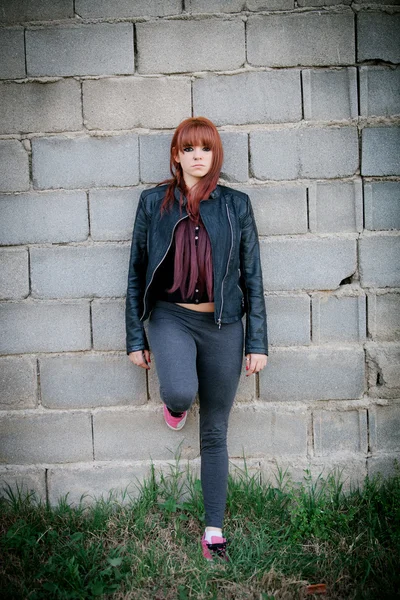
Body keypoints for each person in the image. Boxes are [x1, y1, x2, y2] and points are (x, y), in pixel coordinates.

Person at [126, 116, 268, 561]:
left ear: (215, 155)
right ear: (177, 156)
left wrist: (256, 342)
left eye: (206, 148)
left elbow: (253, 276)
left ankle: (213, 532)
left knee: (215, 431)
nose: (198, 156)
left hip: (224, 325)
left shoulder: (236, 205)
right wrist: (135, 336)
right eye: (189, 149)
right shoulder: (154, 204)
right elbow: (135, 273)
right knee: (181, 391)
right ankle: (174, 408)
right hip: (171, 318)